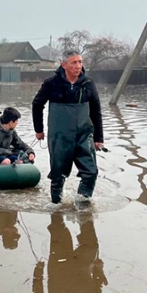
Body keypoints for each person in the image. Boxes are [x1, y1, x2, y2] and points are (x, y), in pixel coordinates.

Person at [32, 50, 104, 204]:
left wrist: (99, 138)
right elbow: (37, 105)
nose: (78, 66)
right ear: (64, 65)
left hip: (84, 135)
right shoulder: (52, 83)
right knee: (58, 174)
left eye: (80, 62)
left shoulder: (88, 84)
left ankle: (83, 204)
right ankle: (56, 206)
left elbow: (96, 111)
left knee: (91, 172)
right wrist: (39, 130)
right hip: (59, 137)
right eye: (74, 62)